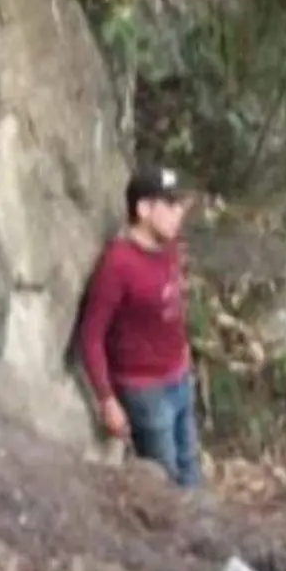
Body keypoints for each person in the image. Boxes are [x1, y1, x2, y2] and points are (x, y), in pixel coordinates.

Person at [74, 165, 201, 489]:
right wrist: (107, 399)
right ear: (143, 209)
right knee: (165, 485)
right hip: (146, 392)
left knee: (191, 469)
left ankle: (200, 535)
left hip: (179, 377)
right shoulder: (119, 264)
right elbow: (91, 336)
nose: (178, 214)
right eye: (169, 205)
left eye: (179, 205)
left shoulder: (169, 247)